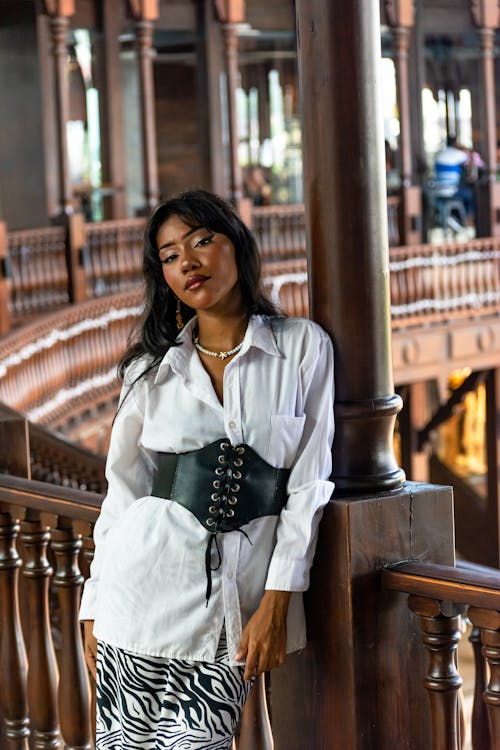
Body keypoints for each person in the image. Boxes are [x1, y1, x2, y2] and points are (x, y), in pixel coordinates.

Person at [79, 189, 335, 750]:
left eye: (200, 241)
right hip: (136, 598)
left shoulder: (300, 348)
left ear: (236, 245)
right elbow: (122, 494)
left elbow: (309, 485)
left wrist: (278, 598)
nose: (187, 262)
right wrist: (94, 602)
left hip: (226, 614)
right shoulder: (151, 370)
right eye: (169, 255)